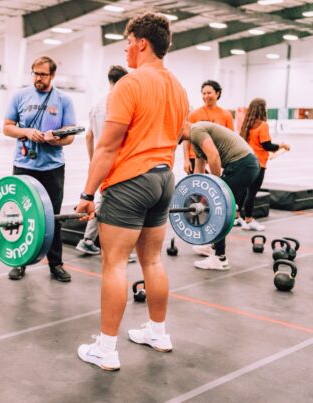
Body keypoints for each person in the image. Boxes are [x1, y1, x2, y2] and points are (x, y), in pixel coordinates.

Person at [75, 13, 189, 371]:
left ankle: (106, 349)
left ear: (142, 42)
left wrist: (88, 194)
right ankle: (158, 333)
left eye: (127, 40)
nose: (125, 47)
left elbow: (107, 148)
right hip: (163, 180)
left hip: (130, 183)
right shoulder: (179, 87)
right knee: (152, 260)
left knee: (113, 265)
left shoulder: (130, 83)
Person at [3, 56, 77, 282]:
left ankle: (56, 264)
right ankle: (21, 261)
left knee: (53, 217)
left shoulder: (64, 100)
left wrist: (55, 139)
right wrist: (26, 132)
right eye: (35, 73)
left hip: (52, 168)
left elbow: (70, 136)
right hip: (24, 166)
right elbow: (7, 128)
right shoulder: (20, 96)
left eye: (43, 74)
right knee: (22, 214)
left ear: (52, 76)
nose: (38, 78)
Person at [183, 121, 260, 269]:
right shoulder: (195, 139)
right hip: (245, 164)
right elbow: (199, 169)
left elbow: (214, 156)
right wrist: (196, 195)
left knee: (219, 208)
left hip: (242, 164)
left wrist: (216, 189)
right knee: (215, 205)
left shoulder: (196, 130)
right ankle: (212, 246)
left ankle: (220, 257)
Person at [75, 65, 131, 259]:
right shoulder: (121, 102)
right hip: (119, 160)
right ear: (124, 81)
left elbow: (89, 136)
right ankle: (119, 249)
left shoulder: (96, 105)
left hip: (102, 160)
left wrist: (94, 162)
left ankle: (88, 240)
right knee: (123, 202)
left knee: (103, 199)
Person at [238, 98, 290, 231]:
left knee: (243, 191)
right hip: (258, 164)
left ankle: (238, 217)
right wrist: (282, 145)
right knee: (251, 193)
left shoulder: (246, 124)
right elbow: (267, 145)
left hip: (246, 162)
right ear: (263, 109)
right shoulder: (262, 125)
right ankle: (249, 220)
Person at [183, 80, 234, 175]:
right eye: (204, 93)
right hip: (195, 157)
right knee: (198, 187)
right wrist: (186, 160)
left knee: (214, 186)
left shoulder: (226, 115)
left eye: (209, 93)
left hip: (217, 158)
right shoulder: (194, 114)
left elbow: (230, 140)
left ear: (217, 93)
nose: (206, 96)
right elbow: (186, 139)